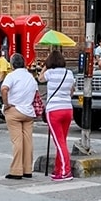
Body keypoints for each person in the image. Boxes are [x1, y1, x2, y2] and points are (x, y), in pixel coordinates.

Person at [0, 53, 37, 179]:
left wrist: (6, 104)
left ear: (12, 64)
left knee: (17, 141)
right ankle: (27, 169)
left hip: (14, 110)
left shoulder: (11, 76)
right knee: (28, 141)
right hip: (28, 111)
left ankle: (16, 170)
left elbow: (4, 89)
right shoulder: (30, 77)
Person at [39, 49, 74, 181]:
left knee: (59, 142)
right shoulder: (69, 73)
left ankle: (66, 171)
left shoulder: (49, 73)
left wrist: (44, 67)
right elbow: (71, 91)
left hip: (54, 110)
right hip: (67, 109)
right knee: (62, 141)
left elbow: (40, 78)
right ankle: (58, 169)